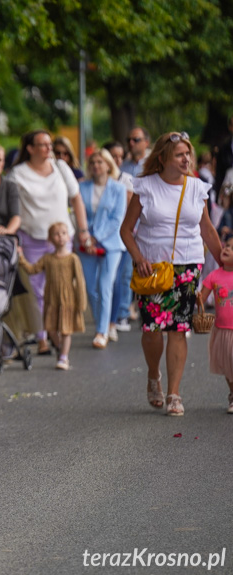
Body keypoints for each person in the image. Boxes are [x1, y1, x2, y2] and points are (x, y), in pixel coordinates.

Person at [120, 132, 222, 416]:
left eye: (188, 153)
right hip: (152, 268)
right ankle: (154, 375)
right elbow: (126, 230)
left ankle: (174, 394)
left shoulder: (197, 188)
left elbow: (207, 229)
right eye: (179, 154)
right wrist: (138, 258)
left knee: (179, 330)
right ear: (163, 158)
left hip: (188, 267)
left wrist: (224, 260)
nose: (186, 159)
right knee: (152, 330)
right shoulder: (146, 187)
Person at [7, 130, 90, 355]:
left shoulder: (61, 168)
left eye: (49, 144)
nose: (48, 149)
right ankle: (44, 335)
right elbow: (11, 205)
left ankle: (58, 330)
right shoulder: (17, 174)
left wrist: (83, 230)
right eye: (42, 145)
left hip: (61, 240)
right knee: (38, 291)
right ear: (30, 148)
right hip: (32, 238)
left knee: (60, 288)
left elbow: (76, 199)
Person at [76, 149, 128, 348]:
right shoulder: (82, 187)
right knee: (91, 287)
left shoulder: (118, 188)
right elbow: (77, 213)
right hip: (85, 242)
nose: (96, 166)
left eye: (100, 162)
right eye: (93, 162)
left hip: (111, 243)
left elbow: (117, 219)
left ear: (108, 165)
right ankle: (102, 321)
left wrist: (96, 237)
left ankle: (102, 331)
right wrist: (85, 236)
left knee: (106, 285)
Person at [19, 223, 88, 370]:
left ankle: (64, 357)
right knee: (50, 328)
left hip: (68, 300)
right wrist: (21, 258)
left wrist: (81, 301)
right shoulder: (47, 259)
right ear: (50, 239)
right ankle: (60, 348)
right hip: (52, 299)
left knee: (65, 329)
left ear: (68, 237)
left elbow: (80, 281)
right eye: (56, 234)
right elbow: (33, 270)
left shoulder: (73, 259)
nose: (60, 237)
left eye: (63, 233)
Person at [103, 141, 138, 332]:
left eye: (119, 156)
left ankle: (121, 313)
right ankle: (107, 316)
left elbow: (128, 205)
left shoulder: (125, 179)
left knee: (123, 276)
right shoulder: (96, 180)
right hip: (102, 236)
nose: (116, 160)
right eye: (112, 155)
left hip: (122, 234)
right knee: (106, 280)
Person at [198, 237, 233, 413]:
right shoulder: (215, 275)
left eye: (232, 248)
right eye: (227, 245)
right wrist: (198, 300)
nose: (227, 249)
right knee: (228, 366)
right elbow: (202, 299)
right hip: (222, 329)